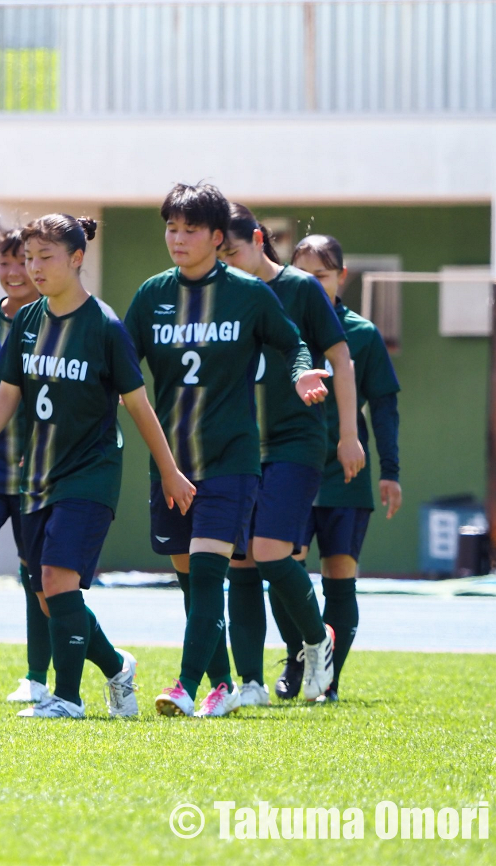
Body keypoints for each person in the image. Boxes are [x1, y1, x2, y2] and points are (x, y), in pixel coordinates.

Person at [0, 214, 192, 719]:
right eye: (29, 258)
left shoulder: (105, 327)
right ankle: (116, 668)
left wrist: (171, 471)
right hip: (37, 475)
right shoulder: (27, 321)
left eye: (45, 257)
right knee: (47, 594)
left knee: (57, 578)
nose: (34, 268)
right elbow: (6, 395)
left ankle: (65, 698)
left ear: (76, 258)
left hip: (90, 474)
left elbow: (139, 407)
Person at [123, 182, 334, 718]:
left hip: (232, 462)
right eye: (171, 227)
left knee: (211, 574)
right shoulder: (152, 295)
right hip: (170, 464)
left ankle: (185, 685)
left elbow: (293, 343)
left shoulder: (248, 293)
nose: (178, 237)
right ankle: (223, 684)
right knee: (194, 588)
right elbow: (121, 366)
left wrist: (302, 369)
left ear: (218, 237)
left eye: (191, 229)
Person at [219, 205, 364, 710]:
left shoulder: (301, 289)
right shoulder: (218, 296)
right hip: (237, 445)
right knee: (240, 561)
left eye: (233, 252)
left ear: (258, 239)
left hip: (294, 442)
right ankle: (251, 683)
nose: (227, 264)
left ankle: (316, 638)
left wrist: (348, 434)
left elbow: (340, 358)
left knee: (272, 551)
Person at [292, 234, 402, 700]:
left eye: (320, 275)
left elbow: (383, 407)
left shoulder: (361, 334)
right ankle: (300, 662)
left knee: (339, 579)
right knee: (285, 572)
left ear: (342, 276)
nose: (312, 285)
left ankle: (328, 683)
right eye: (302, 276)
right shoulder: (281, 327)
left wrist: (390, 470)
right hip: (289, 468)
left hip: (346, 475)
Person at [0, 224, 51, 705]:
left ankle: (37, 675)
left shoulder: (54, 319)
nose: (12, 272)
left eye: (20, 261)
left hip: (35, 472)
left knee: (36, 577)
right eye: (3, 262)